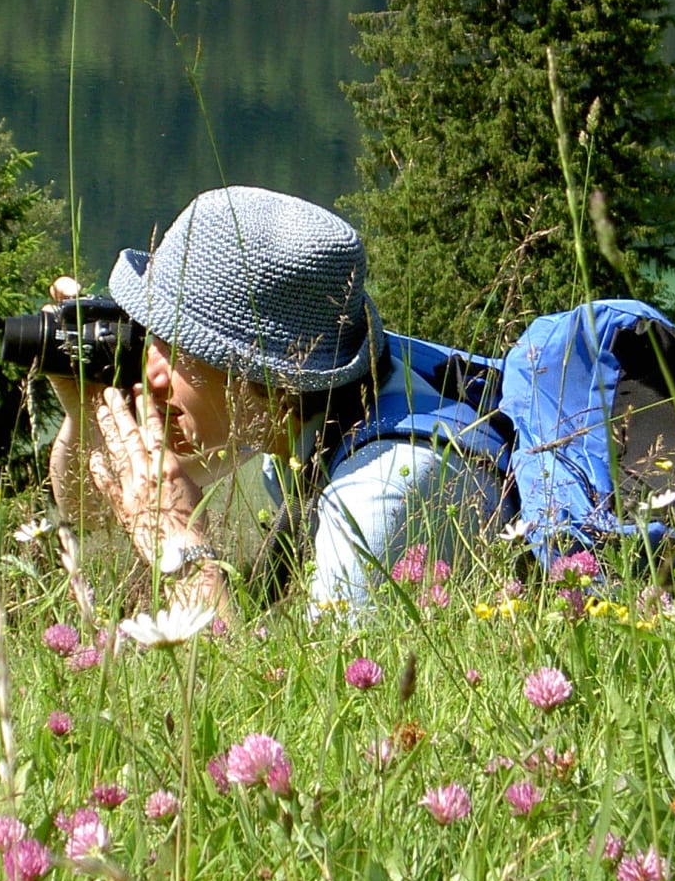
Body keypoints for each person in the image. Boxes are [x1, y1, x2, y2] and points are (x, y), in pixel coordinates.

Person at [44, 186, 505, 617]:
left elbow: (332, 681)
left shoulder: (381, 494)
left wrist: (181, 550)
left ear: (265, 373)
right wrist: (87, 412)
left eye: (182, 349)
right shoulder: (297, 413)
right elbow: (93, 515)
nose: (152, 374)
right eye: (151, 336)